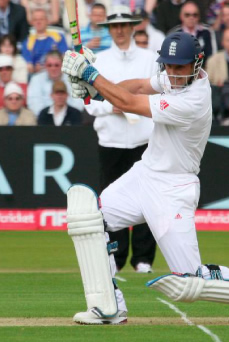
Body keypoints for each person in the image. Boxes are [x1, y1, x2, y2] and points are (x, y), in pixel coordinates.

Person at [61, 31, 229, 325]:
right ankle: (107, 306)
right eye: (168, 65)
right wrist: (96, 90)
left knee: (190, 282)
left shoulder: (193, 100)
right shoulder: (173, 76)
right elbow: (140, 85)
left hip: (173, 189)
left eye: (180, 67)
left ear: (197, 63)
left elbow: (129, 102)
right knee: (88, 220)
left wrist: (91, 75)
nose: (174, 73)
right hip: (144, 175)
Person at [83, 5, 159, 273]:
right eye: (115, 26)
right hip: (112, 141)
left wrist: (131, 104)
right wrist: (110, 107)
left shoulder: (150, 57)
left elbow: (157, 93)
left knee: (147, 199)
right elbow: (89, 101)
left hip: (143, 139)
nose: (119, 31)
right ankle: (114, 257)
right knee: (111, 202)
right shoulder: (100, 60)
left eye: (124, 26)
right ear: (110, 30)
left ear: (132, 28)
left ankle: (143, 259)